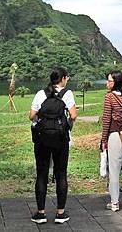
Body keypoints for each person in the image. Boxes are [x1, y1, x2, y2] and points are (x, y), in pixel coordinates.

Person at [29, 67, 77, 224]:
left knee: (41, 173)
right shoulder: (67, 94)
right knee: (61, 173)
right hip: (61, 138)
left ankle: (41, 213)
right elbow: (73, 115)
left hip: (42, 139)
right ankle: (60, 213)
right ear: (62, 79)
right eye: (66, 78)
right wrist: (66, 126)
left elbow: (31, 116)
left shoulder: (41, 93)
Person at [101, 70, 122, 211]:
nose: (107, 83)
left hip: (115, 135)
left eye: (110, 81)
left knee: (114, 170)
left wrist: (103, 139)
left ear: (116, 82)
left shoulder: (109, 97)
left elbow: (106, 119)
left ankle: (114, 202)